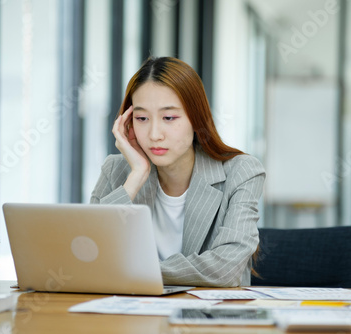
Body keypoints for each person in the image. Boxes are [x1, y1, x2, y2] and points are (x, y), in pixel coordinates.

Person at [90, 56, 265, 287]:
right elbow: (89, 252)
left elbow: (225, 270)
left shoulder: (242, 172)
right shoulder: (117, 170)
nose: (154, 134)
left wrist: (131, 270)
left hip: (210, 318)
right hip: (131, 315)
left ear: (196, 118)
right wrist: (136, 176)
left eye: (169, 118)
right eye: (142, 118)